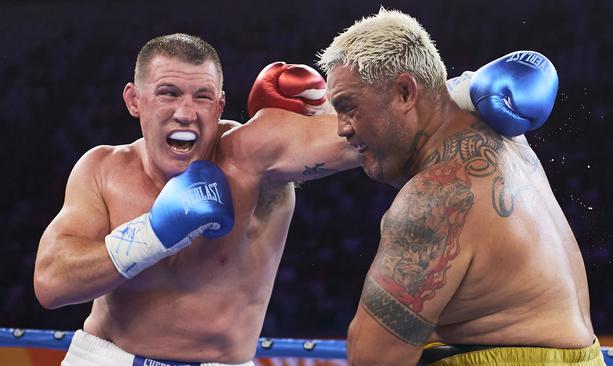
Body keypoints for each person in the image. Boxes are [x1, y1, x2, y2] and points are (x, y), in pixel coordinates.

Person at [33, 33, 556, 366]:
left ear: (221, 104)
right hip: (103, 357)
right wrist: (155, 232)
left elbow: (369, 126)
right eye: (168, 93)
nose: (185, 113)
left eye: (201, 98)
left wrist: (469, 91)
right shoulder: (102, 169)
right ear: (135, 100)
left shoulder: (251, 155)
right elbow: (52, 283)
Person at [317, 9, 605, 366]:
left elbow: (373, 358)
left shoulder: (436, 199)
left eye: (348, 108)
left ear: (405, 92)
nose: (342, 129)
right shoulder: (505, 137)